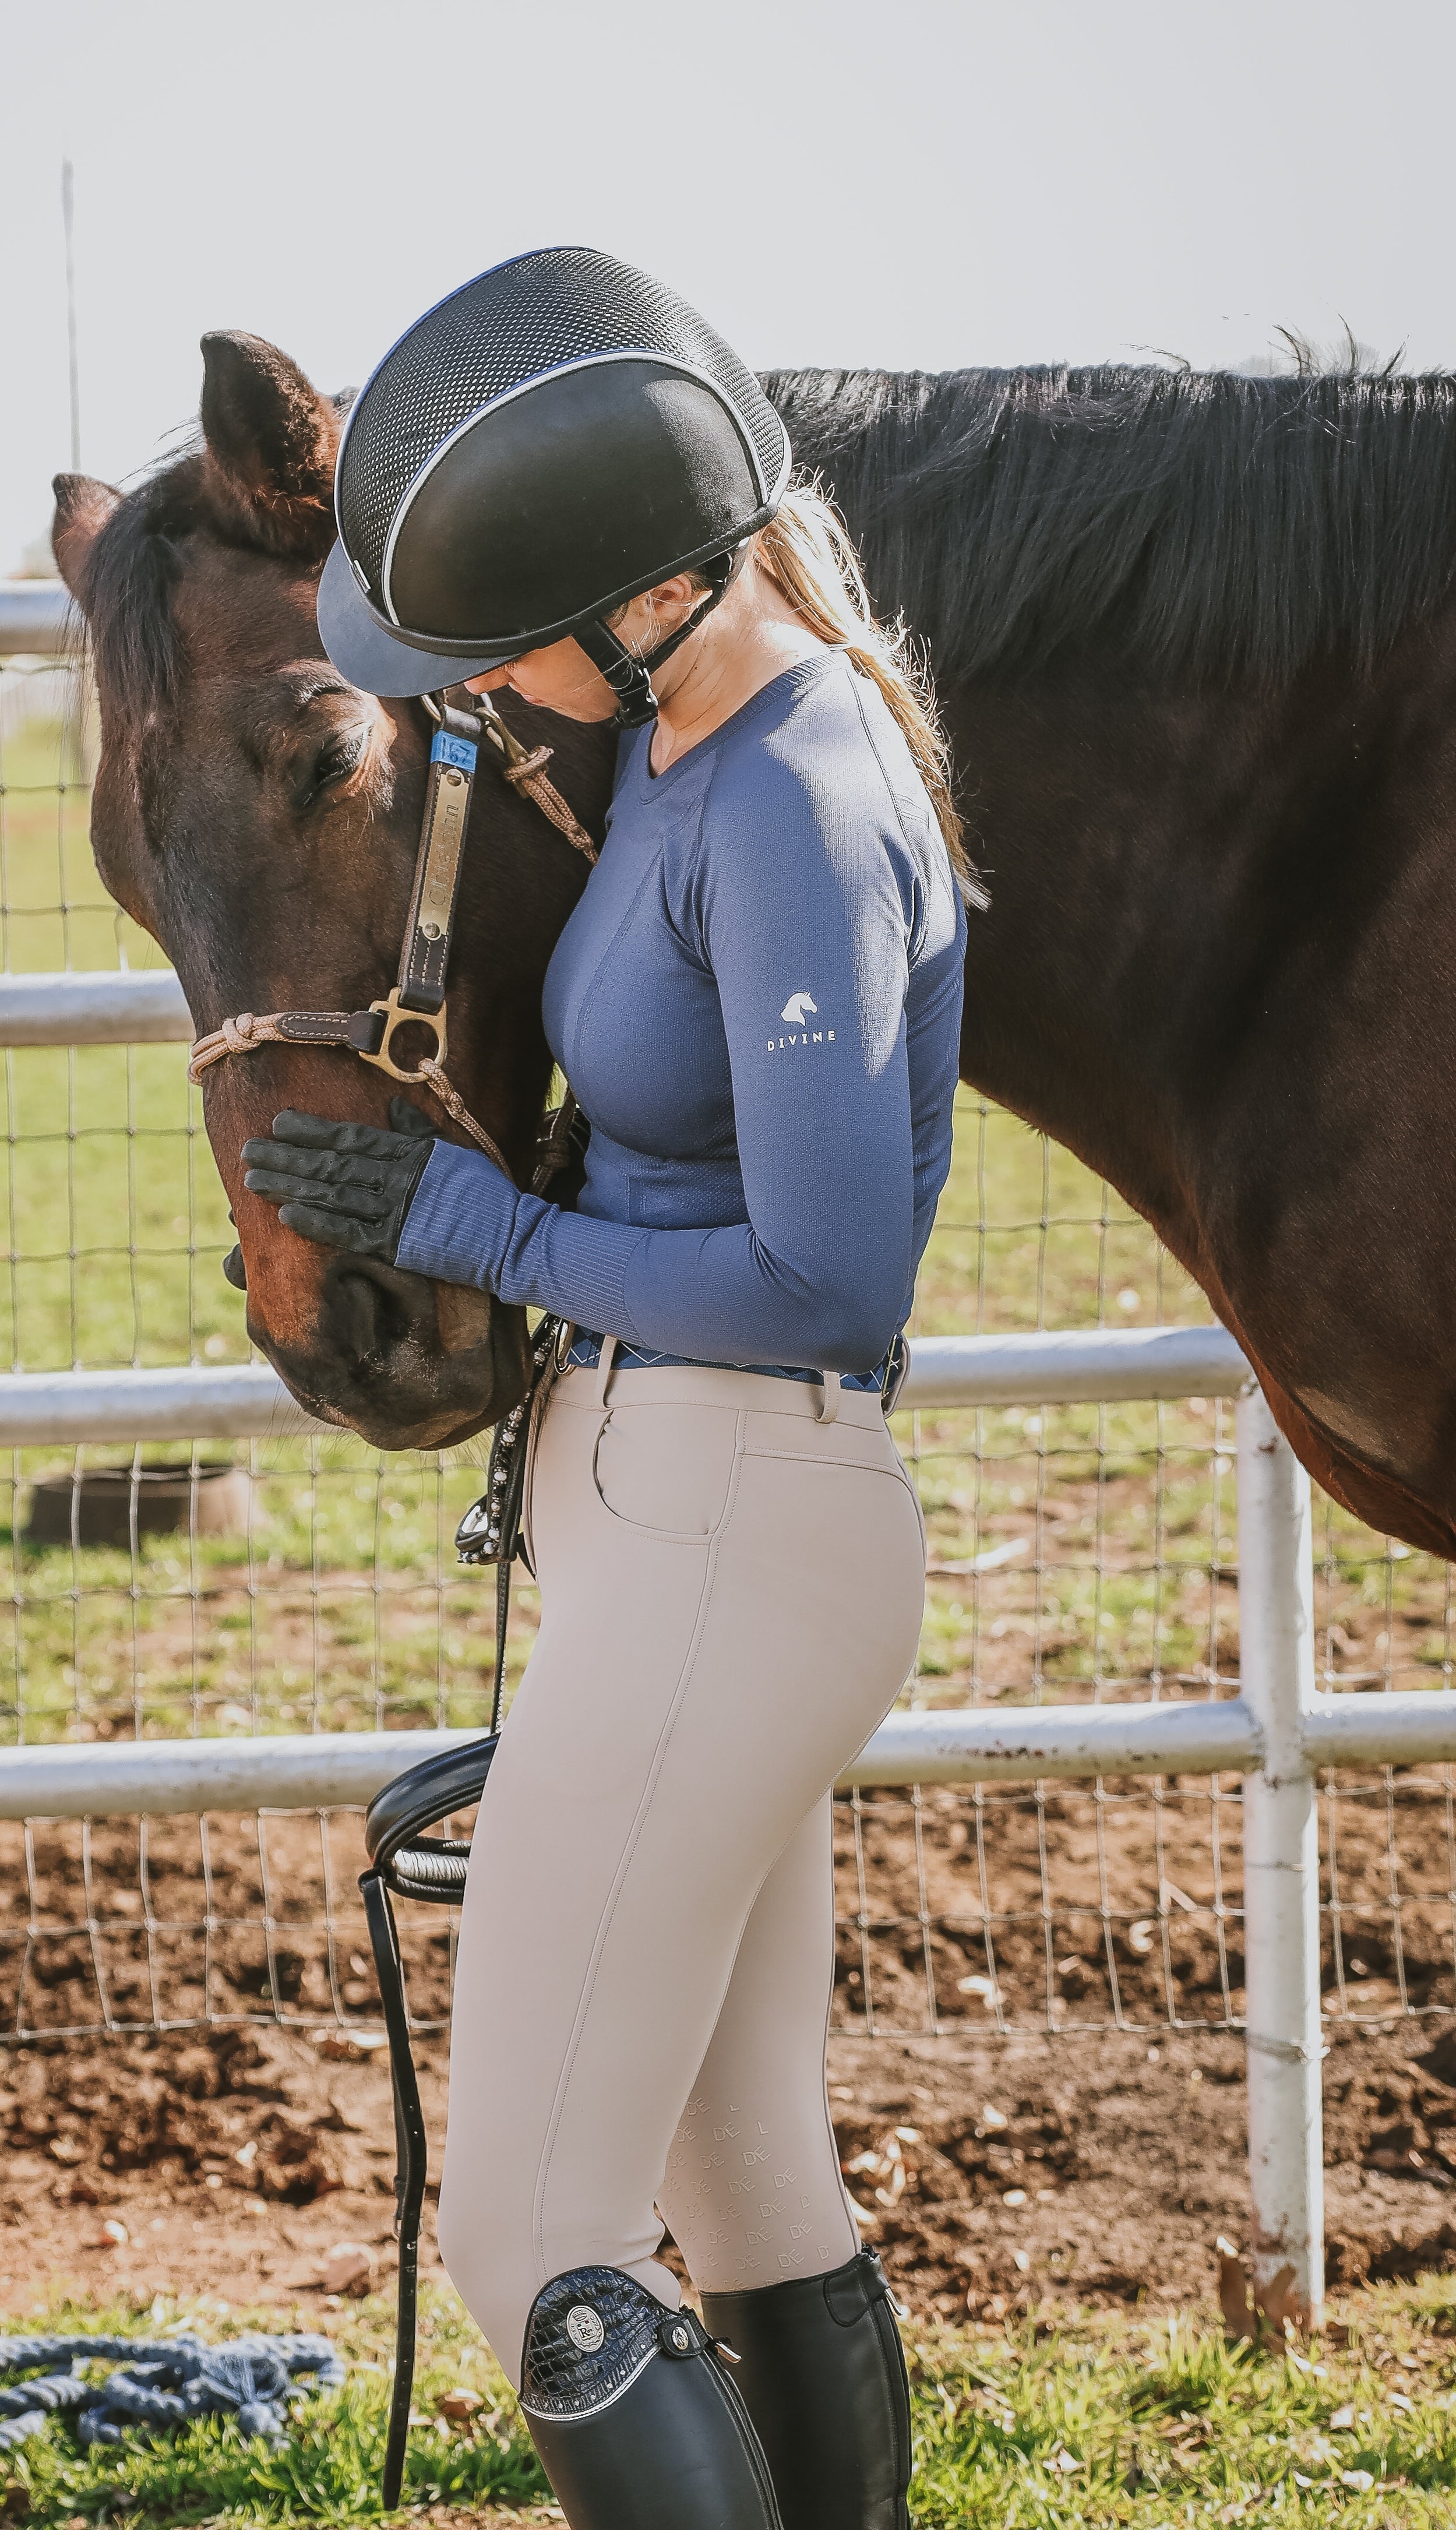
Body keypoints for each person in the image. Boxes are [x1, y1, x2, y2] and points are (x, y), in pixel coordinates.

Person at [242, 248, 972, 2530]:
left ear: (636, 592)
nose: (480, 685)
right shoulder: (680, 751)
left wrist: (486, 1238)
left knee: (532, 2238)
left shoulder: (785, 785)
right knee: (739, 2173)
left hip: (735, 1519)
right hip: (685, 1518)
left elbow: (832, 1267)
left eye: (496, 641)